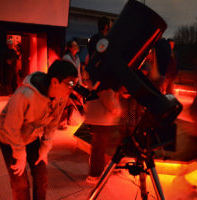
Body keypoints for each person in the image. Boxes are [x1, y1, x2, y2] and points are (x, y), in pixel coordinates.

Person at [0, 60, 78, 200]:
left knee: (42, 176)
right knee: (20, 184)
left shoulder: (61, 98)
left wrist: (44, 150)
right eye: (70, 84)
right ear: (54, 82)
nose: (71, 88)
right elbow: (11, 127)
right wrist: (19, 154)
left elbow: (52, 126)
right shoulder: (25, 95)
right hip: (10, 140)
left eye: (74, 84)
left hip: (32, 138)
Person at [84, 16, 122, 183]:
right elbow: (105, 86)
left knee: (98, 143)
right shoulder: (105, 46)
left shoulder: (93, 44)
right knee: (100, 144)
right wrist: (116, 108)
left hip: (93, 106)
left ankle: (97, 168)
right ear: (106, 27)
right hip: (102, 109)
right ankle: (94, 174)